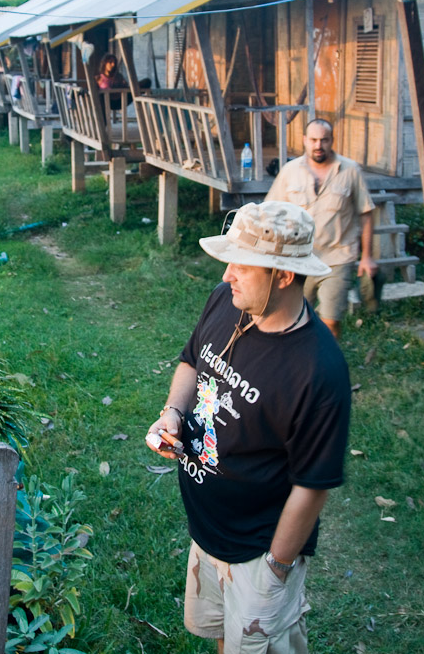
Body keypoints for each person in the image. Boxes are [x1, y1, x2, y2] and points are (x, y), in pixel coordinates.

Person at [146, 201, 351, 654]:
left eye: (242, 264)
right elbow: (191, 360)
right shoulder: (227, 300)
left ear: (283, 275)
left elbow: (312, 485)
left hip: (259, 549)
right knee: (226, 638)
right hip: (208, 531)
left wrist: (277, 567)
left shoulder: (319, 371)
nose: (227, 275)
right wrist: (172, 414)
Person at [265, 118, 377, 338]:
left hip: (337, 258)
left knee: (330, 321)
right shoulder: (290, 171)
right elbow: (271, 212)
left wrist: (367, 257)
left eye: (324, 140)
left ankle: (327, 367)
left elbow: (366, 213)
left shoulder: (350, 170)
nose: (319, 145)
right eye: (314, 140)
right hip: (298, 259)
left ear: (332, 141)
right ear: (305, 141)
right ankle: (299, 362)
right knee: (292, 317)